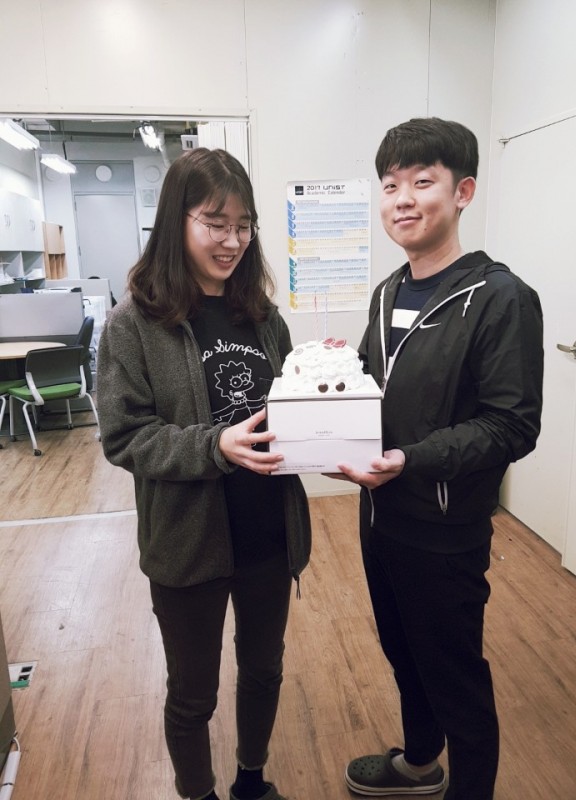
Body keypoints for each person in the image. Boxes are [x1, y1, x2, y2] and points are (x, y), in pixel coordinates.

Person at [333, 118, 543, 799]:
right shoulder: (387, 292)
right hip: (378, 517)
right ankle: (419, 765)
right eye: (390, 184)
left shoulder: (500, 298)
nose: (402, 199)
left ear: (463, 192)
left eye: (422, 181)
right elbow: (370, 387)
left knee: (454, 676)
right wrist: (333, 395)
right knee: (403, 654)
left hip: (445, 531)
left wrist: (410, 459)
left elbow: (511, 426)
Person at [96, 148, 311, 800]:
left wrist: (328, 414)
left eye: (243, 225)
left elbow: (290, 409)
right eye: (215, 223)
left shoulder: (263, 317)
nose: (232, 241)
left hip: (268, 532)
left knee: (264, 671)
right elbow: (124, 436)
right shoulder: (134, 324)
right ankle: (198, 793)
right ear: (176, 222)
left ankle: (251, 780)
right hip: (188, 544)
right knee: (192, 694)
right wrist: (216, 445)